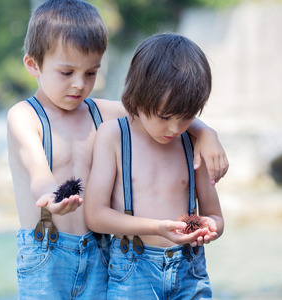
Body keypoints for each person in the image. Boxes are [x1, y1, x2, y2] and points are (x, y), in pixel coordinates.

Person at [7, 0, 228, 298]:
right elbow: (37, 170)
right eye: (66, 72)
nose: (79, 85)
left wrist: (205, 131)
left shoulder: (101, 112)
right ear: (33, 65)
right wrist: (50, 196)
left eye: (90, 73)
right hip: (47, 253)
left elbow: (158, 110)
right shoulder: (25, 115)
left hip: (101, 254)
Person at [84, 33, 225, 299]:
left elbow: (216, 215)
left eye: (186, 117)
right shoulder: (113, 136)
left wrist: (211, 226)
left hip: (189, 272)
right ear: (137, 99)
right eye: (164, 117)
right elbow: (95, 216)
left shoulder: (194, 143)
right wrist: (157, 228)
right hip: (131, 272)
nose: (174, 128)